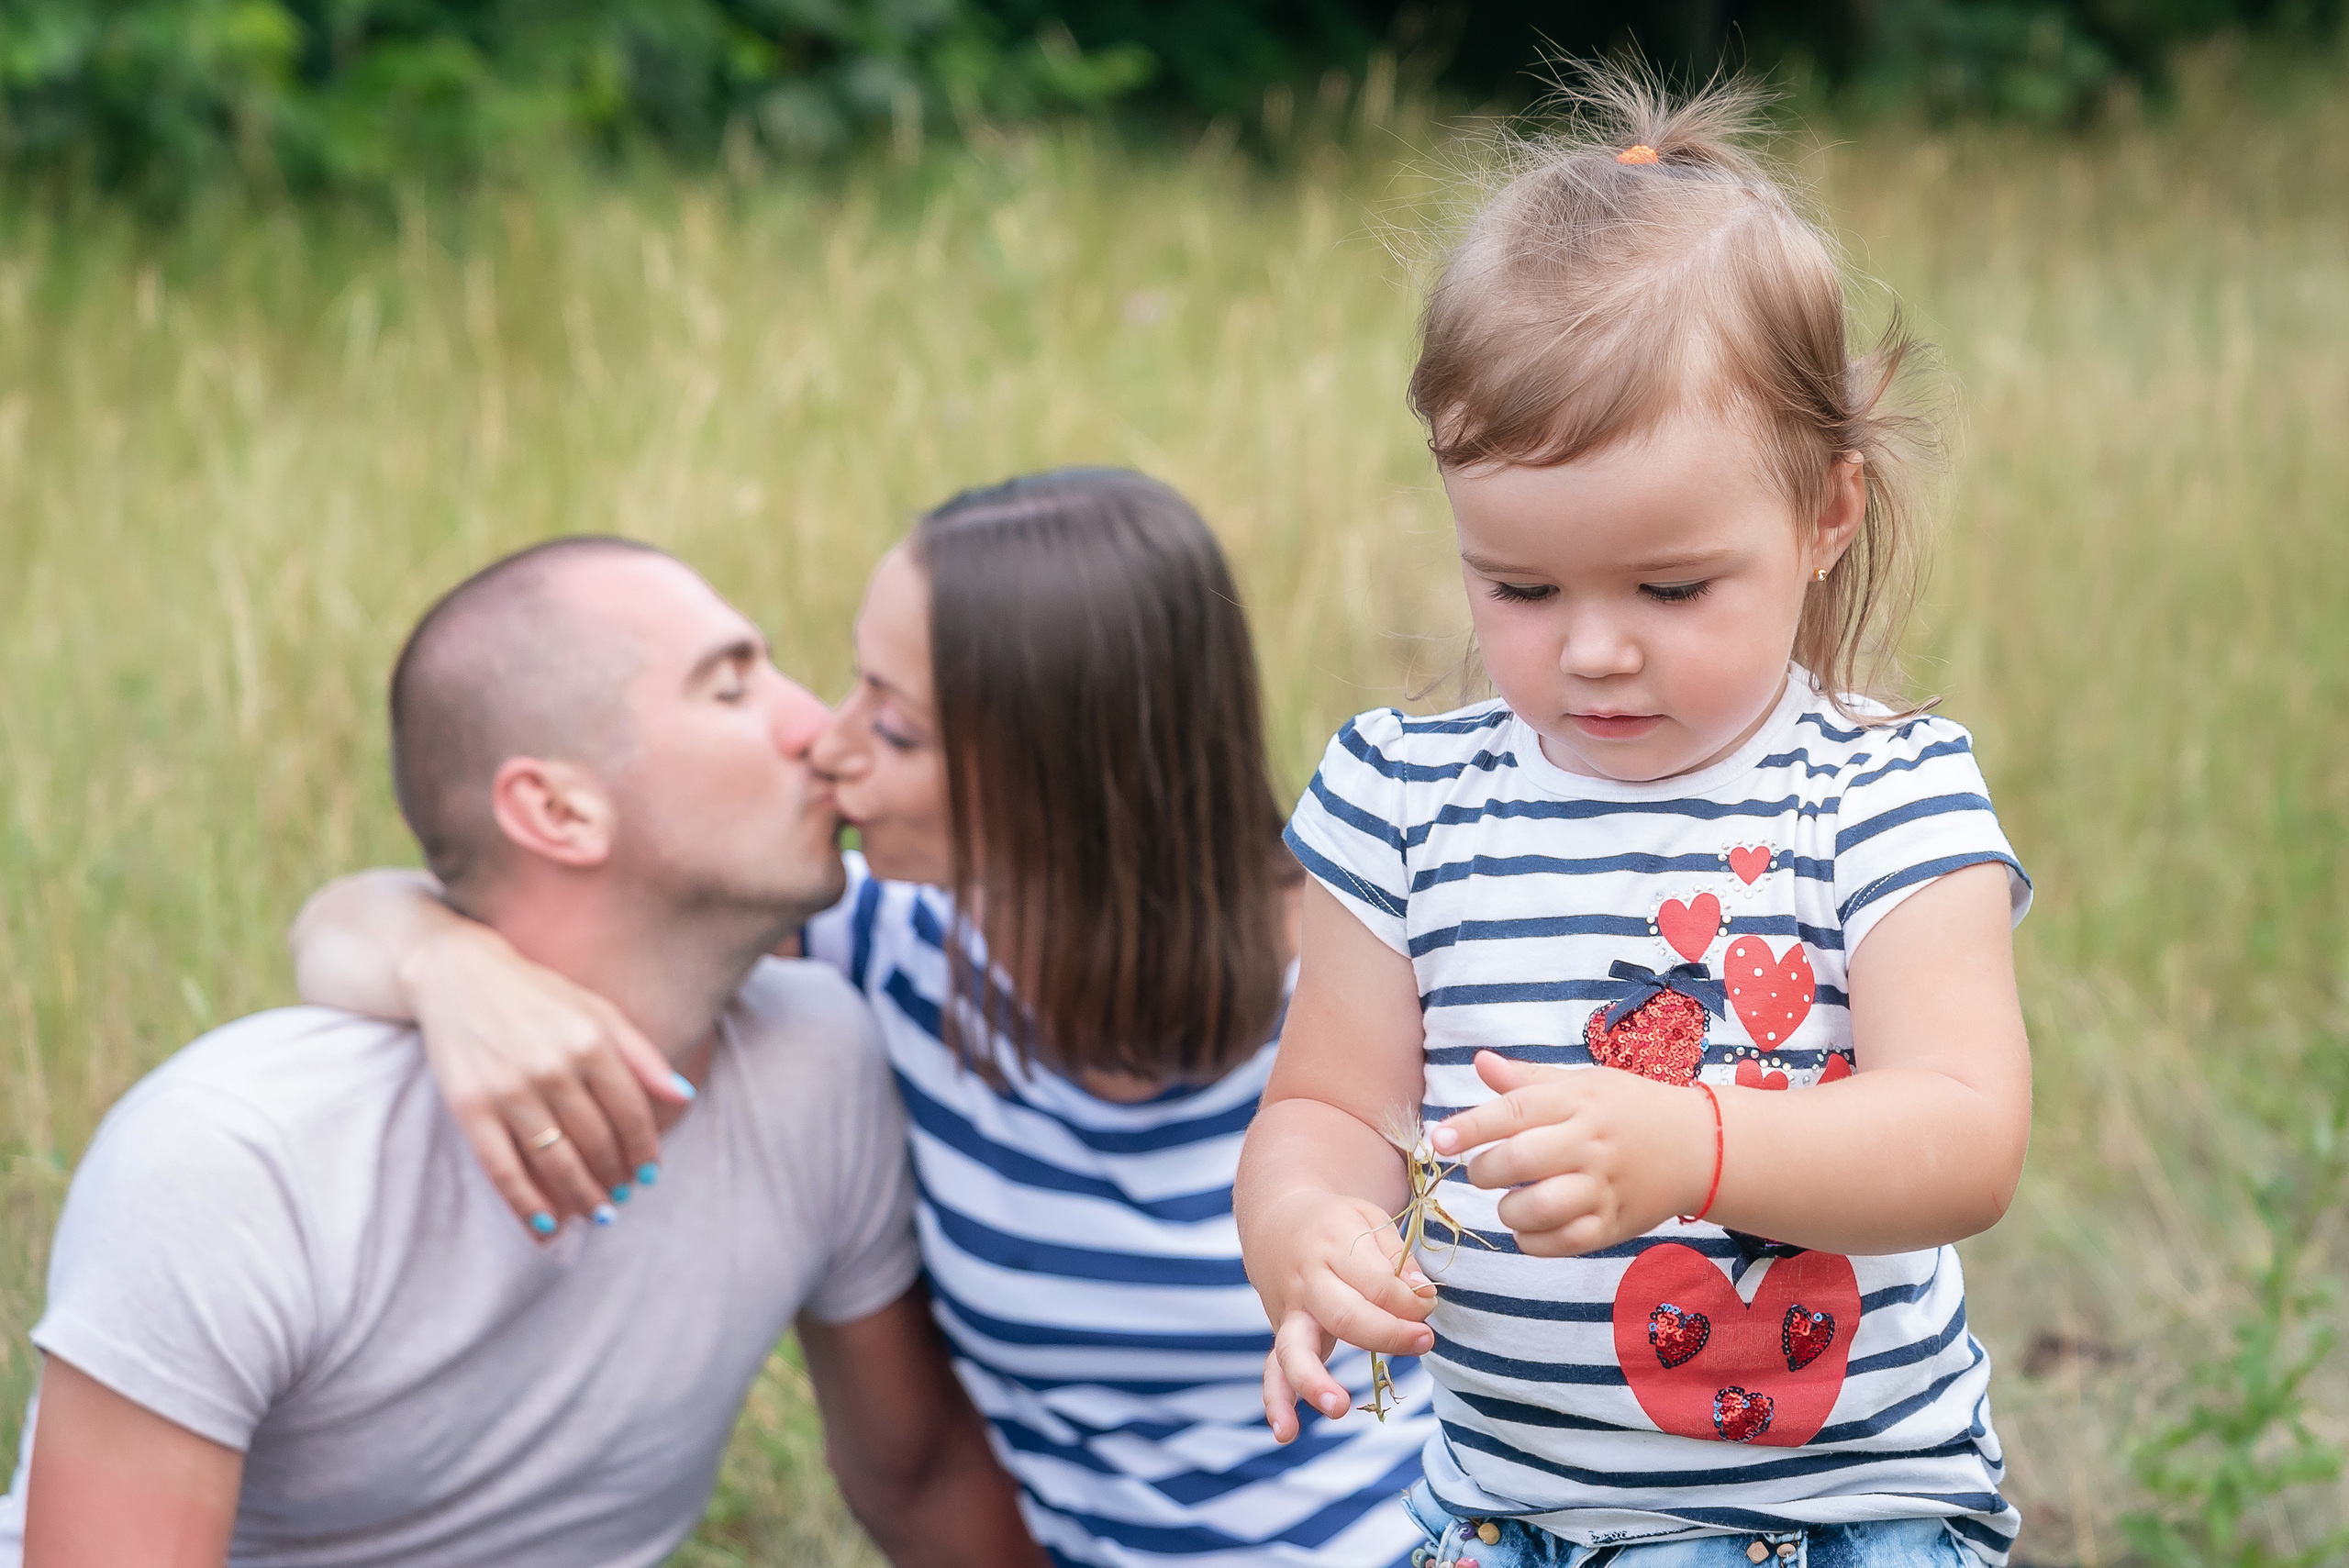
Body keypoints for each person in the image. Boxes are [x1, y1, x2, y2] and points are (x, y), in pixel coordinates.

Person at [288, 469, 1437, 1568]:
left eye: (892, 729)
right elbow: (351, 918)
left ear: (1062, 776)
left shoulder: (1377, 964)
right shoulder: (883, 950)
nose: (827, 746)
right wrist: (451, 972)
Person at [1235, 70, 2034, 1568]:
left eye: (1671, 587)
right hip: (1511, 1516)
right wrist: (1309, 1235)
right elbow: (1327, 1109)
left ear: (1826, 514)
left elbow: (1967, 1132)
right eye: (1519, 587)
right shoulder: (1401, 799)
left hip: (1841, 1522)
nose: (1592, 647)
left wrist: (1693, 1143)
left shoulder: (1884, 791)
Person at [0, 539, 1039, 1568]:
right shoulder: (242, 1159)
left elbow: (921, 1480)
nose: (818, 728)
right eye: (730, 689)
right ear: (555, 809)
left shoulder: (817, 1065)